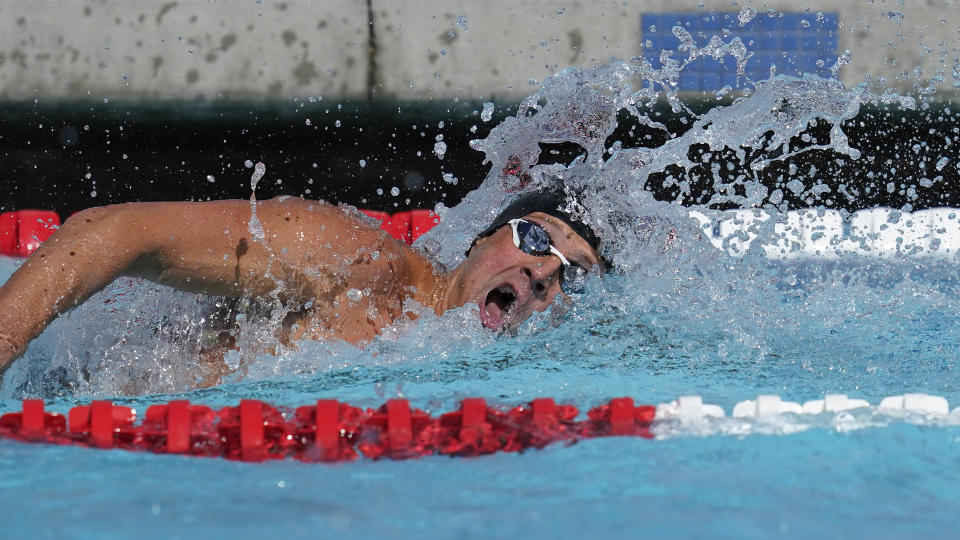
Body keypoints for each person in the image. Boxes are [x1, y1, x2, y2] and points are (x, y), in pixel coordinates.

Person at [0, 188, 605, 381]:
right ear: (480, 242)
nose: (542, 271)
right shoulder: (364, 268)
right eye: (534, 238)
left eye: (570, 275)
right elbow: (117, 228)